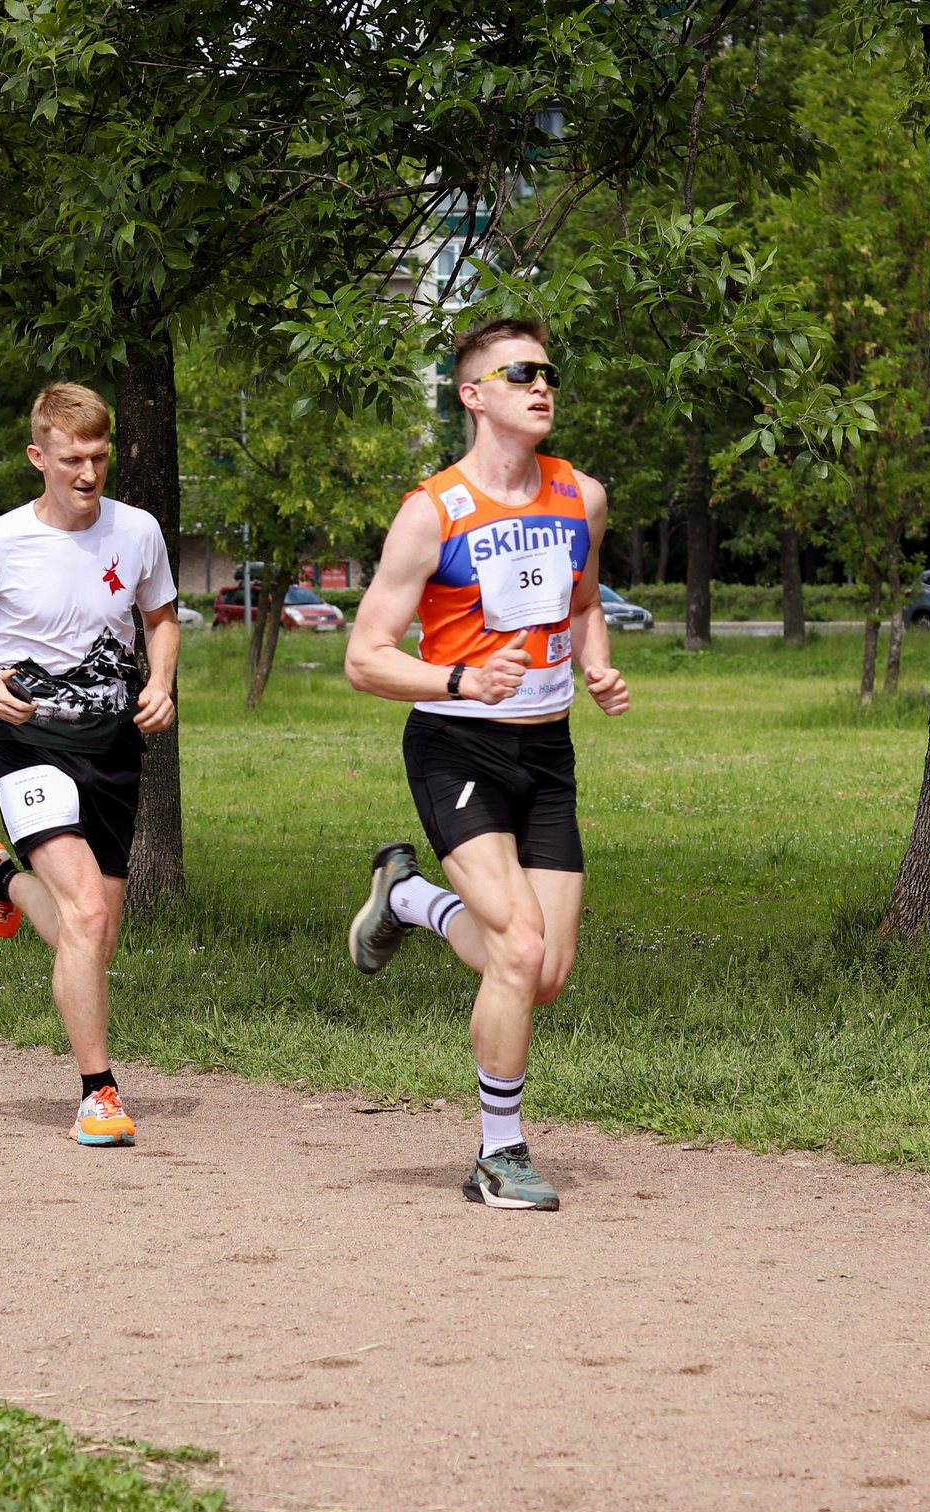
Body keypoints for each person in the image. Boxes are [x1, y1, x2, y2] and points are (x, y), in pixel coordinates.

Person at [340, 319, 627, 1211]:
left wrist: (597, 662)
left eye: (548, 372)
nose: (541, 386)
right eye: (518, 374)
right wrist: (462, 674)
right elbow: (365, 656)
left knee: (544, 972)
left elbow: (582, 602)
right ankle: (498, 1155)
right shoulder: (434, 510)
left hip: (546, 748)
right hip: (455, 742)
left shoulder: (581, 495)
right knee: (520, 942)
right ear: (473, 395)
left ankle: (409, 900)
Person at [0, 384, 178, 1148]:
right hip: (27, 743)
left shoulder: (139, 531)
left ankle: (0, 877)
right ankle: (98, 1093)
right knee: (86, 919)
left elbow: (159, 620)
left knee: (93, 937)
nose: (88, 472)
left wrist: (158, 681)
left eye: (99, 456)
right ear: (40, 457)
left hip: (114, 749)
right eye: (72, 458)